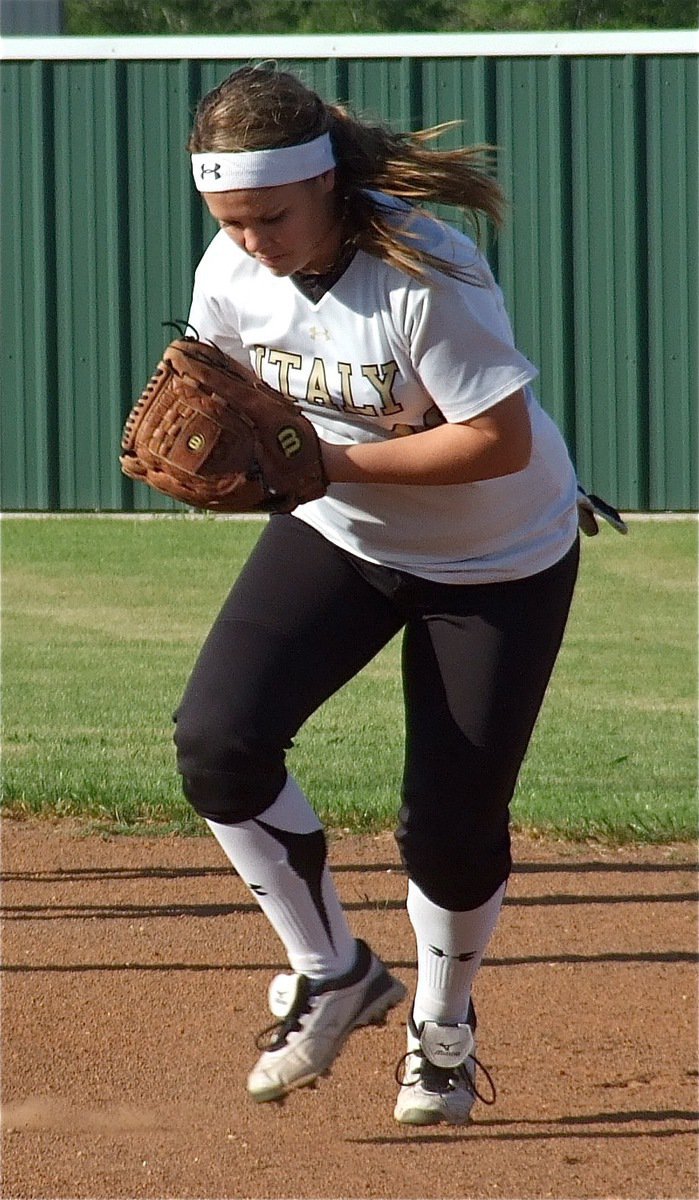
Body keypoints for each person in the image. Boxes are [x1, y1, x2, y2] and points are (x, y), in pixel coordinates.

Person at [174, 62, 580, 1126]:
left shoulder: (422, 270)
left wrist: (322, 466)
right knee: (218, 742)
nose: (251, 240)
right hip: (342, 535)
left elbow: (495, 442)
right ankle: (335, 972)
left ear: (326, 182)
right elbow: (236, 397)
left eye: (270, 215)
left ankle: (441, 1031)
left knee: (448, 822)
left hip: (496, 557)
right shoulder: (232, 267)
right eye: (230, 219)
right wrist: (229, 450)